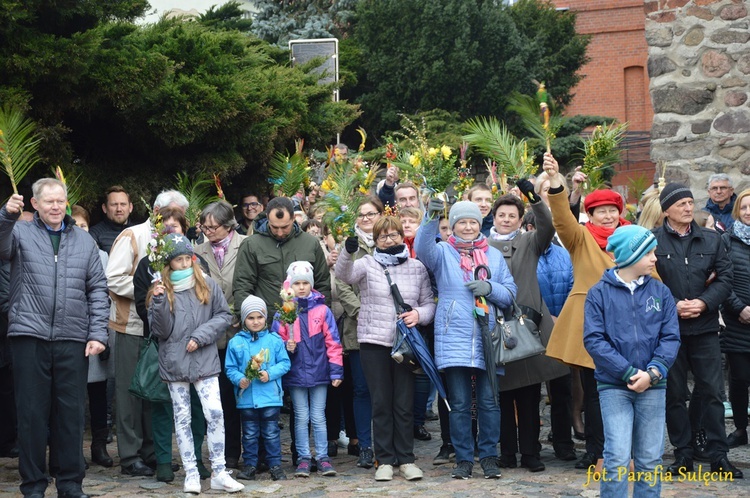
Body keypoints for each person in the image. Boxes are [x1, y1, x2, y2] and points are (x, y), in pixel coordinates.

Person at [1, 179, 109, 498]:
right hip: (28, 336)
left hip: (72, 338)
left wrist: (98, 333)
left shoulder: (84, 241)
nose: (56, 207)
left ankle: (70, 484)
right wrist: (6, 216)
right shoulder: (19, 232)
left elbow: (98, 291)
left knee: (71, 415)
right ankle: (33, 485)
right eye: (49, 202)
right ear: (35, 204)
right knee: (32, 414)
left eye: (61, 201)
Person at [542, 152, 639, 471]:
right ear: (591, 215)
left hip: (628, 329)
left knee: (625, 393)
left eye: (612, 210)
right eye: (600, 212)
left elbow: (653, 278)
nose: (608, 216)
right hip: (591, 329)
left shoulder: (637, 241)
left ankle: (624, 450)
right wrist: (557, 183)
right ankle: (596, 450)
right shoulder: (581, 239)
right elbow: (562, 220)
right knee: (596, 393)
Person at [415, 199, 516, 480]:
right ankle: (463, 459)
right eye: (461, 222)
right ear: (454, 226)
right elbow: (422, 249)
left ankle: (489, 457)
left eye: (472, 221)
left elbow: (510, 293)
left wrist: (490, 287)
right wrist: (431, 217)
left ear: (479, 223)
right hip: (453, 338)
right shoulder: (443, 252)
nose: (468, 227)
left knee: (489, 402)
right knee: (458, 404)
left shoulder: (493, 256)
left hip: (488, 337)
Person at [583, 224, 681, 498]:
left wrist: (653, 372)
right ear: (629, 255)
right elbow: (594, 340)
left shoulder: (661, 293)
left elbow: (670, 337)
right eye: (648, 253)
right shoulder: (598, 294)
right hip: (614, 386)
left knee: (650, 459)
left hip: (653, 385)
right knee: (616, 458)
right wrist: (627, 372)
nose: (654, 259)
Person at [336, 216, 436, 481]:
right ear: (376, 240)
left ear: (402, 236)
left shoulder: (417, 267)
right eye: (383, 236)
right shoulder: (367, 264)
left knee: (404, 402)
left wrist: (418, 315)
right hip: (374, 342)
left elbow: (429, 303)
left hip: (406, 343)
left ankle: (406, 459)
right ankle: (384, 460)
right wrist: (348, 251)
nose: (389, 240)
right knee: (381, 402)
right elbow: (343, 275)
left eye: (394, 235)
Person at [653, 183, 741, 478]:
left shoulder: (712, 239)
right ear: (666, 209)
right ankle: (683, 454)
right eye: (681, 204)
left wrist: (704, 303)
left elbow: (725, 278)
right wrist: (674, 305)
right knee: (675, 395)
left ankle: (718, 455)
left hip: (704, 328)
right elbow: (650, 281)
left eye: (691, 203)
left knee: (713, 392)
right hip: (669, 331)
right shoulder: (653, 241)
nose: (689, 208)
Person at [147, 233, 244, 494]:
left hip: (204, 359)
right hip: (175, 361)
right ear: (169, 264)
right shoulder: (161, 289)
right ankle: (191, 471)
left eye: (186, 259)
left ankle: (220, 471)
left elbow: (224, 315)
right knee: (183, 418)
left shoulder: (207, 284)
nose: (183, 264)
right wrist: (158, 302)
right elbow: (161, 331)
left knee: (214, 412)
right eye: (177, 260)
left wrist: (200, 337)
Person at [487, 190, 572, 472]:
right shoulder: (483, 247)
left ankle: (531, 453)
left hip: (529, 328)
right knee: (502, 396)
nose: (507, 220)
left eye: (513, 215)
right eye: (502, 215)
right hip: (496, 328)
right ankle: (507, 452)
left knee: (530, 395)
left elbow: (547, 225)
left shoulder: (528, 242)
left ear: (521, 219)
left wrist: (535, 198)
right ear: (494, 217)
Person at [108, 189, 190, 477]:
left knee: (155, 392)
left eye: (180, 215)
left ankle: (153, 452)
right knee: (131, 392)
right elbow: (113, 278)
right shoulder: (133, 236)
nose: (174, 220)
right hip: (131, 324)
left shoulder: (179, 241)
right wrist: (149, 294)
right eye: (171, 213)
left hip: (163, 330)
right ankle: (130, 456)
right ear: (157, 211)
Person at [133, 207, 210, 483]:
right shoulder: (148, 265)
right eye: (165, 228)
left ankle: (198, 459)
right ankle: (164, 460)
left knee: (198, 409)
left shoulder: (197, 262)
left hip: (196, 348)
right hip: (165, 347)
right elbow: (143, 305)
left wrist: (196, 335)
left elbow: (209, 304)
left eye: (175, 226)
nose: (171, 231)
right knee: (164, 407)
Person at [273, 261, 343, 478]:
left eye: (305, 283)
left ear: (311, 284)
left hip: (320, 372)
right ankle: (304, 457)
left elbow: (333, 342)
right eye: (297, 283)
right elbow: (275, 343)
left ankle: (322, 457)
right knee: (301, 416)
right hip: (296, 373)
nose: (301, 287)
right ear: (289, 286)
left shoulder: (322, 311)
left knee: (319, 416)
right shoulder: (284, 313)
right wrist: (287, 346)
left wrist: (336, 371)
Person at [330, 197, 384, 468]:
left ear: (380, 215)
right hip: (358, 327)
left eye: (370, 213)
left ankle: (388, 445)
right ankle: (364, 445)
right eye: (361, 214)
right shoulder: (350, 246)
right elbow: (341, 282)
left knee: (386, 391)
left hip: (388, 329)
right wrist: (363, 311)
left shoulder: (390, 240)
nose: (365, 218)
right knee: (361, 390)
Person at [194, 200, 247, 470]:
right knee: (218, 396)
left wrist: (241, 315)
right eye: (205, 226)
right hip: (211, 333)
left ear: (228, 225)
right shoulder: (196, 250)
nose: (208, 231)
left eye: (213, 227)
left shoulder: (246, 244)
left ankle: (243, 451)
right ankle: (223, 453)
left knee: (240, 393)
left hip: (241, 329)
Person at [225, 295, 291, 481]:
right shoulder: (236, 342)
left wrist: (269, 374)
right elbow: (230, 368)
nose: (256, 322)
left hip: (270, 396)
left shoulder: (274, 340)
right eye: (251, 318)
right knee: (249, 434)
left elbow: (285, 363)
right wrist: (239, 380)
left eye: (259, 317)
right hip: (247, 397)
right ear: (244, 319)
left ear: (265, 318)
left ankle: (275, 465)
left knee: (271, 432)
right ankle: (250, 464)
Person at [70, 205, 114, 469]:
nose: (79, 230)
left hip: (96, 330)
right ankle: (73, 450)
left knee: (99, 394)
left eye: (83, 226)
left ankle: (99, 445)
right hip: (71, 333)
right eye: (74, 225)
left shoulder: (101, 255)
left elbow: (104, 293)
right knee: (71, 397)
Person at [722, 188, 750, 449]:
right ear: (737, 211)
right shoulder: (728, 240)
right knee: (739, 379)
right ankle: (740, 428)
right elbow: (722, 279)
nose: (748, 212)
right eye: (744, 207)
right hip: (737, 322)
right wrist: (739, 307)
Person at [89, 185, 134, 253]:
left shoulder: (139, 232)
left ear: (130, 207)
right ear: (104, 208)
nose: (119, 209)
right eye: (114, 204)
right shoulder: (95, 234)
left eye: (123, 204)